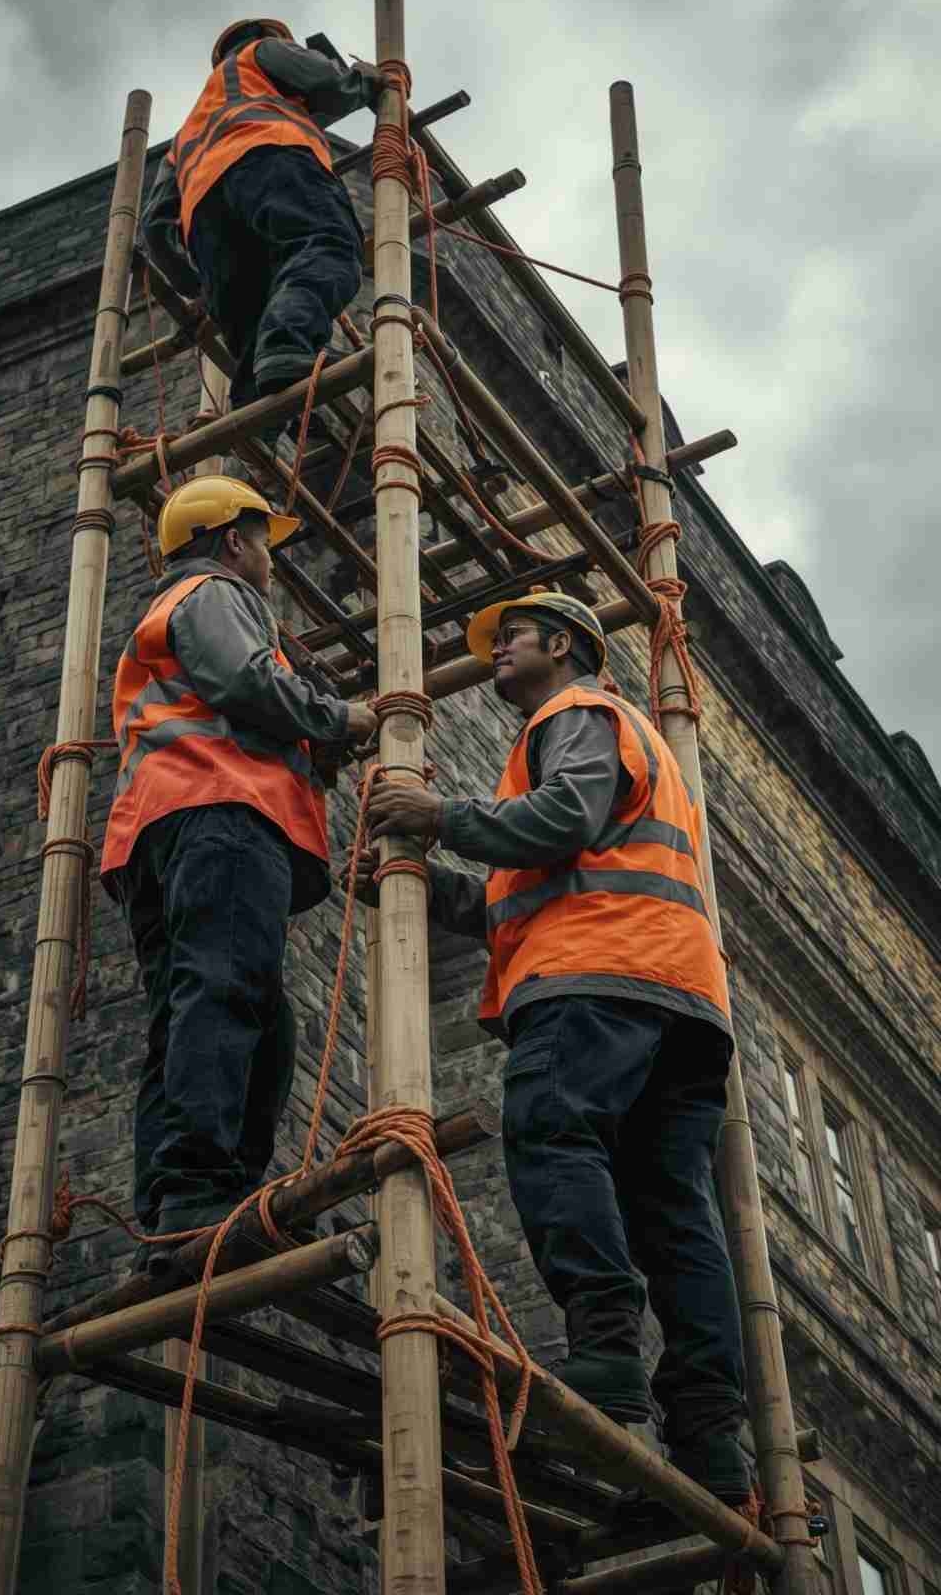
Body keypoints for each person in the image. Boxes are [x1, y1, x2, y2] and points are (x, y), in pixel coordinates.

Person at [357, 589, 750, 1504]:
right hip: (678, 997)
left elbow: (561, 822)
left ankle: (607, 1354)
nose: (496, 652)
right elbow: (523, 895)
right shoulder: (624, 740)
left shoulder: (576, 715)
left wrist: (435, 813)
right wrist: (415, 878)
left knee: (549, 1130)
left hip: (599, 977)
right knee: (671, 1210)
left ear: (565, 645)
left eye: (512, 637)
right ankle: (711, 1442)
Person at [100, 475, 379, 1267]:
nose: (269, 557)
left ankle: (176, 1205)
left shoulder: (176, 606)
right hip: (217, 814)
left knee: (214, 1008)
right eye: (264, 540)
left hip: (167, 828)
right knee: (225, 996)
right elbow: (244, 682)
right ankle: (197, 1195)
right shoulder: (214, 593)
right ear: (232, 540)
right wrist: (339, 717)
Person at [140, 18, 380, 414]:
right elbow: (329, 86)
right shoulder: (262, 52)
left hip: (204, 221)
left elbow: (154, 227)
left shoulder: (186, 136)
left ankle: (256, 437)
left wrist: (197, 286)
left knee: (250, 330)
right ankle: (287, 342)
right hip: (271, 159)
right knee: (328, 246)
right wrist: (364, 80)